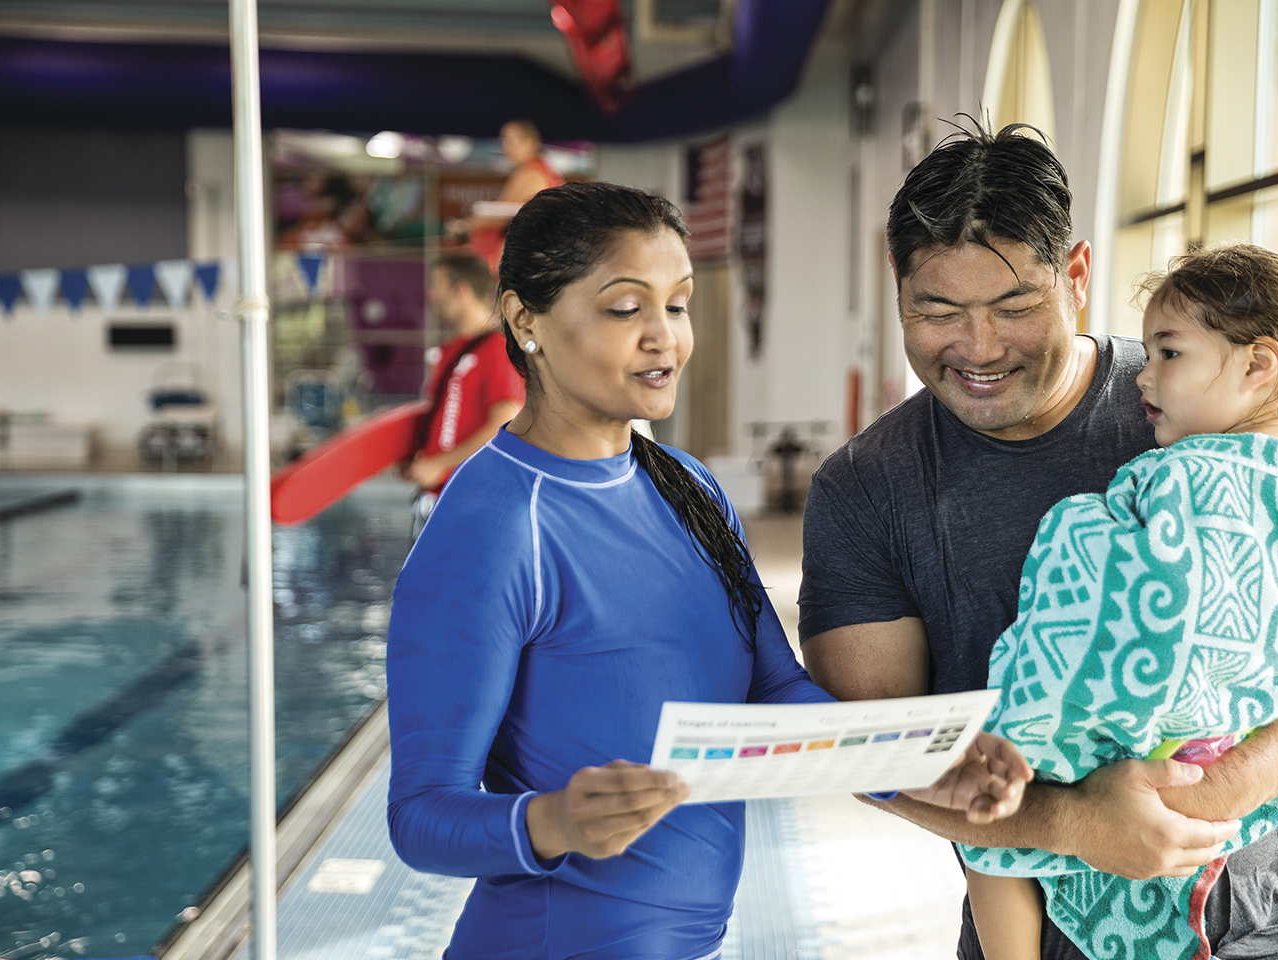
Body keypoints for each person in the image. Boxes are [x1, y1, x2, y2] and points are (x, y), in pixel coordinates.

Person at [386, 181, 1031, 960]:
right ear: (526, 321)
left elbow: (772, 690)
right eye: (627, 309)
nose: (666, 338)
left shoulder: (685, 486)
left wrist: (919, 763)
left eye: (679, 304)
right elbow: (421, 815)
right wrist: (549, 822)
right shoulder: (491, 527)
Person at [798, 123, 1278, 960]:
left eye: (1015, 307)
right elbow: (874, 747)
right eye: (936, 312)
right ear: (897, 290)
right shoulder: (864, 489)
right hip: (1058, 929)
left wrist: (1232, 785)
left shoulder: (1200, 396)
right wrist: (1077, 822)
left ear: (1077, 275)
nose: (978, 349)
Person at [958, 243, 1278, 960]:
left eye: (1169, 354)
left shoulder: (1188, 476)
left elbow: (1110, 574)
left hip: (1173, 741)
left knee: (998, 774)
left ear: (1261, 364)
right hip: (1235, 777)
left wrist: (1079, 531)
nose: (1147, 373)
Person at [401, 253, 525, 528]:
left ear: (461, 290)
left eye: (437, 285)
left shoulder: (498, 350)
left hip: (475, 502)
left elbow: (504, 427)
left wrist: (440, 466)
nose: (431, 294)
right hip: (442, 499)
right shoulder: (449, 351)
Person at [450, 120, 564, 272]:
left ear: (530, 142)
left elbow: (497, 215)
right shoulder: (536, 170)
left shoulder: (531, 173)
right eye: (503, 141)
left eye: (511, 141)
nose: (505, 147)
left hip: (526, 258)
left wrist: (463, 225)